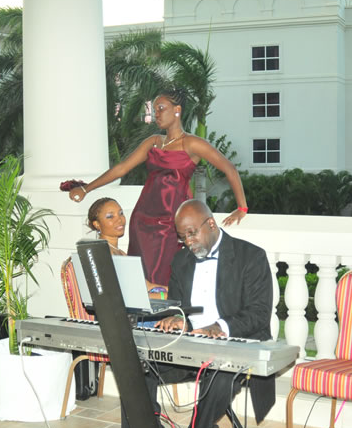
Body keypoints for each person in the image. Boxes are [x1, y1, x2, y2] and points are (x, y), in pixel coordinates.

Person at [111, 199, 274, 428]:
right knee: (137, 365)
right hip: (189, 344)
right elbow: (178, 307)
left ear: (210, 224)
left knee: (221, 375)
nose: (187, 242)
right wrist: (176, 319)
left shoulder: (251, 256)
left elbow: (259, 313)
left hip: (234, 343)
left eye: (192, 233)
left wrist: (220, 326)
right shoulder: (181, 260)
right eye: (181, 236)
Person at [67, 88, 249, 289]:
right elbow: (121, 168)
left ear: (177, 110)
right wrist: (86, 189)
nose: (157, 115)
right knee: (139, 278)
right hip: (142, 221)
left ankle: (165, 318)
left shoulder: (192, 143)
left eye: (161, 108)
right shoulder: (153, 142)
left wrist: (242, 208)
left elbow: (229, 168)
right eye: (154, 110)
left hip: (170, 223)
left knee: (163, 278)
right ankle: (141, 320)